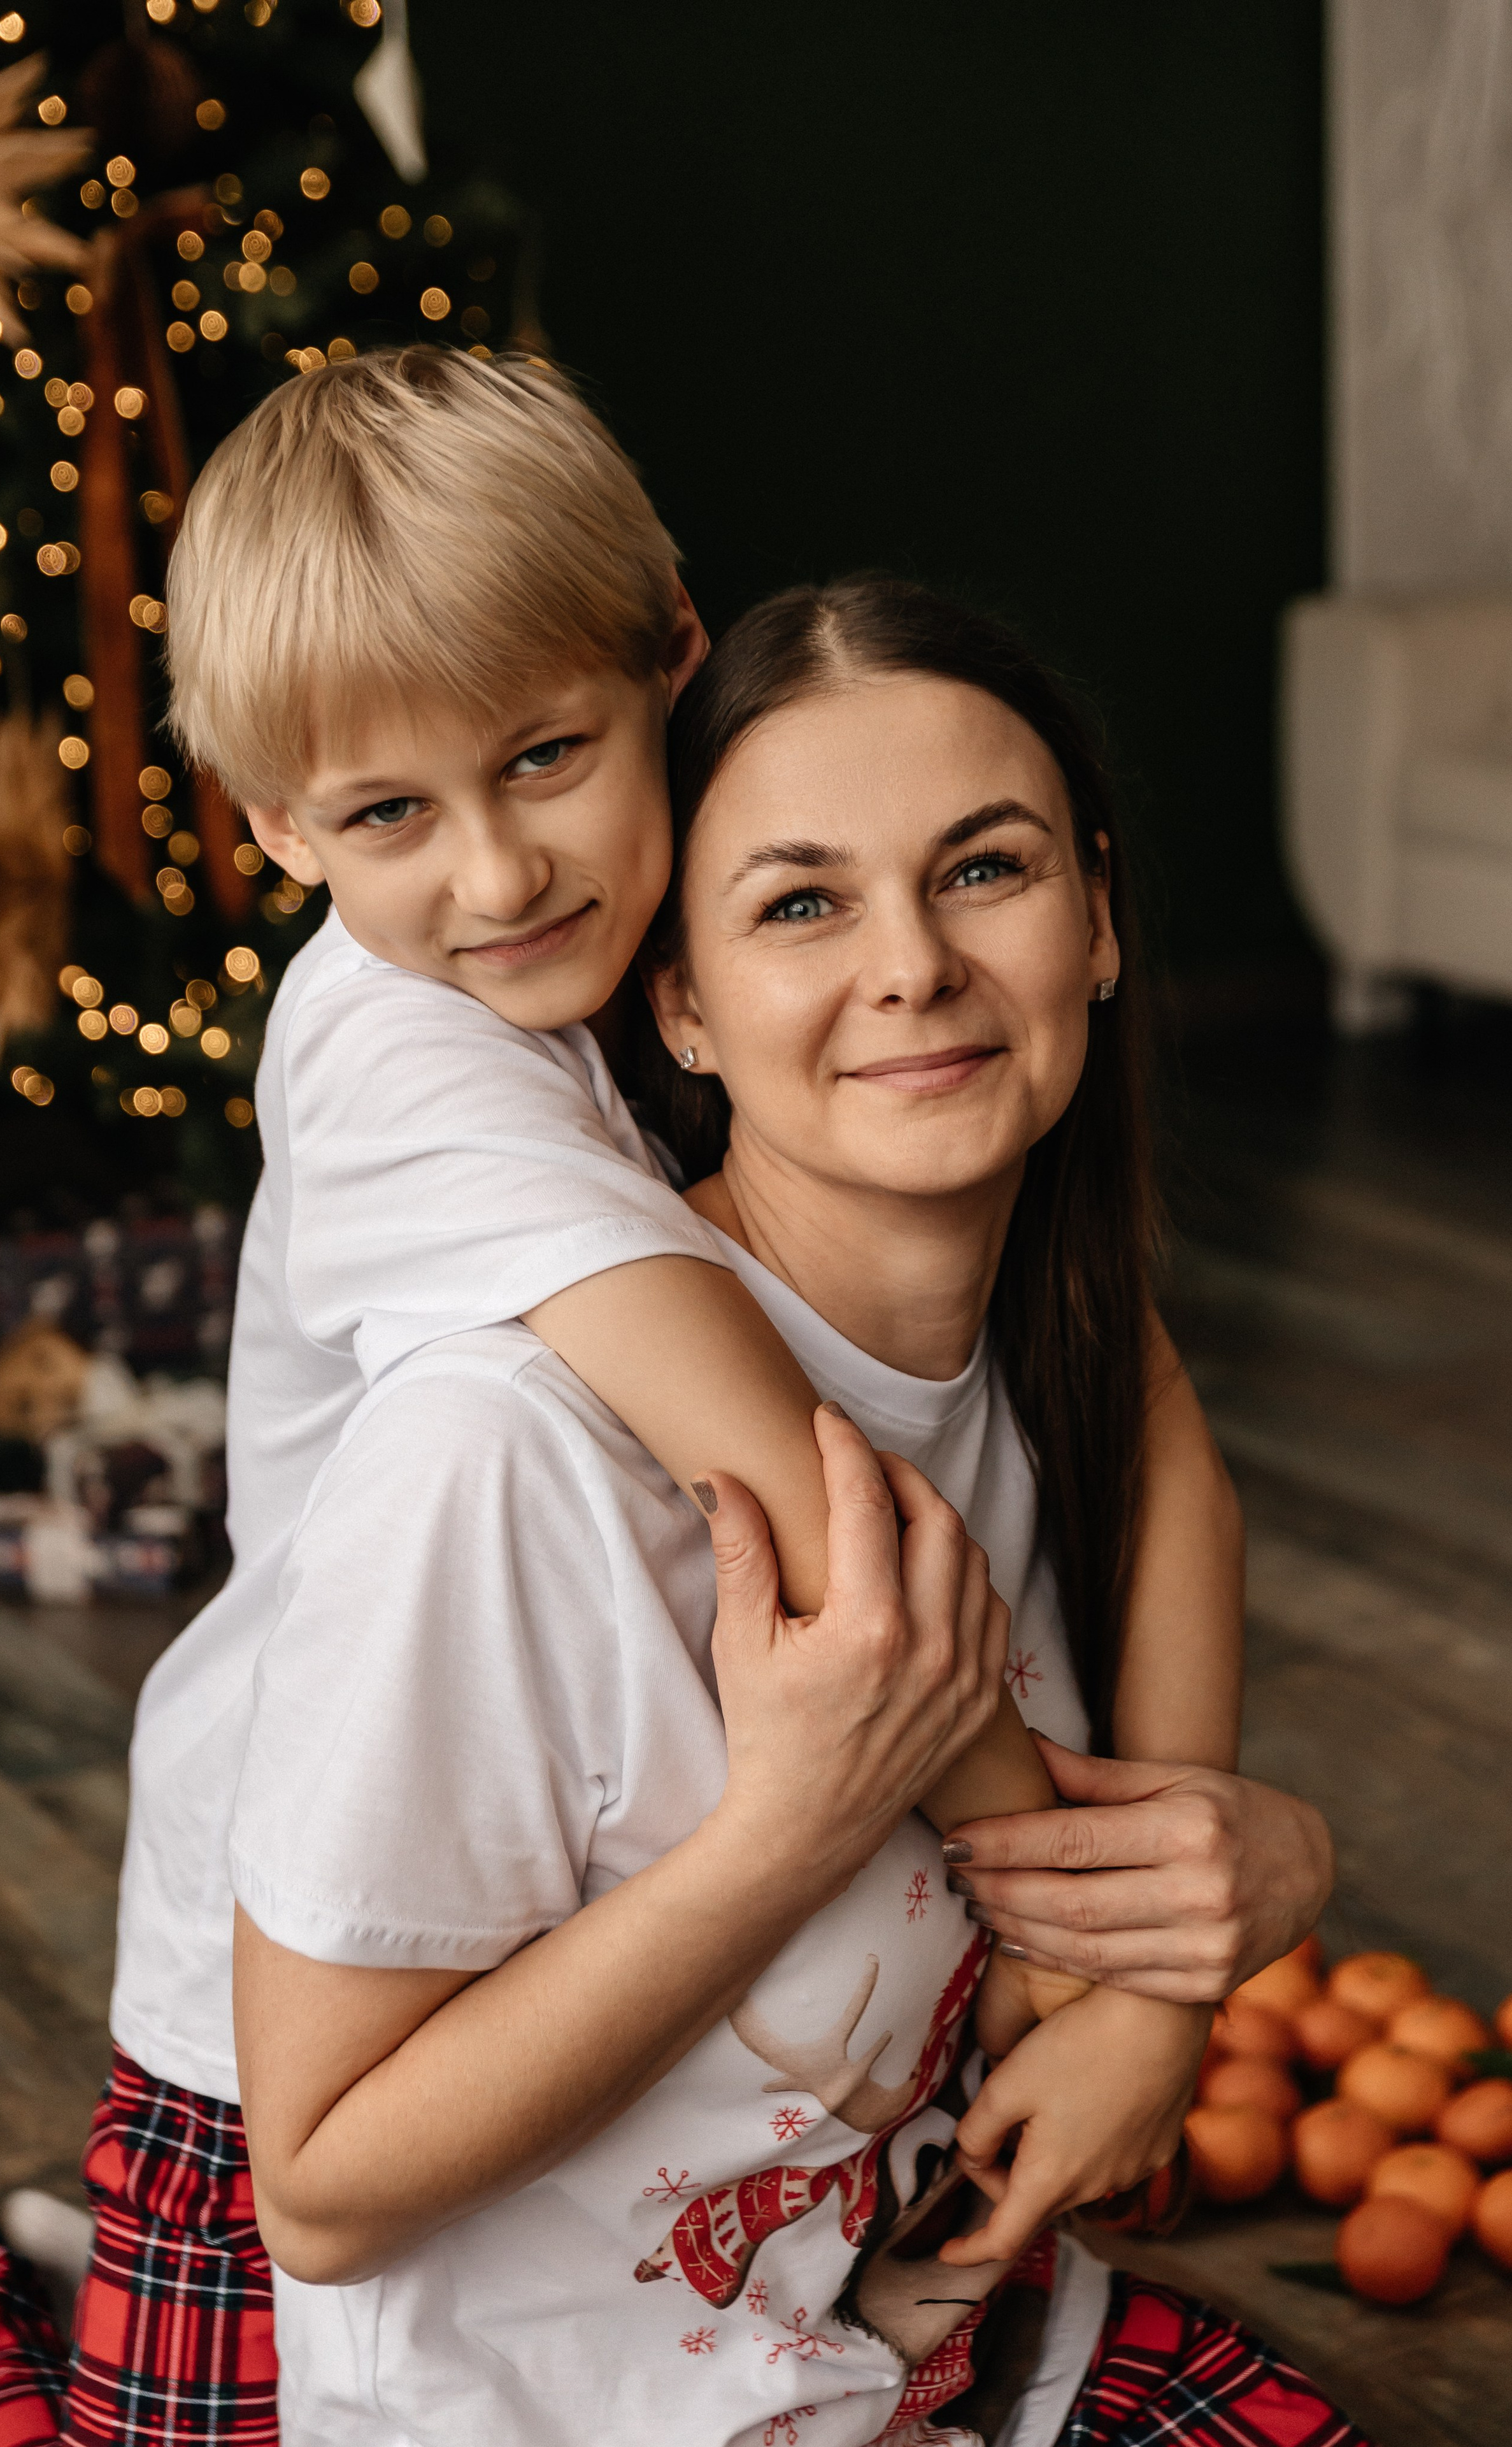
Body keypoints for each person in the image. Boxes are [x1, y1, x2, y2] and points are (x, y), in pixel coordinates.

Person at [217, 578, 1361, 2443]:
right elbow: (322, 2189)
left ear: (1100, 923)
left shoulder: (1064, 1375)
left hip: (920, 2356)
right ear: (676, 999)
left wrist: (1209, 1935)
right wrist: (785, 1831)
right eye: (801, 903)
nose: (909, 967)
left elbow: (1165, 1523)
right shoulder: (502, 1453)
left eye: (984, 869)